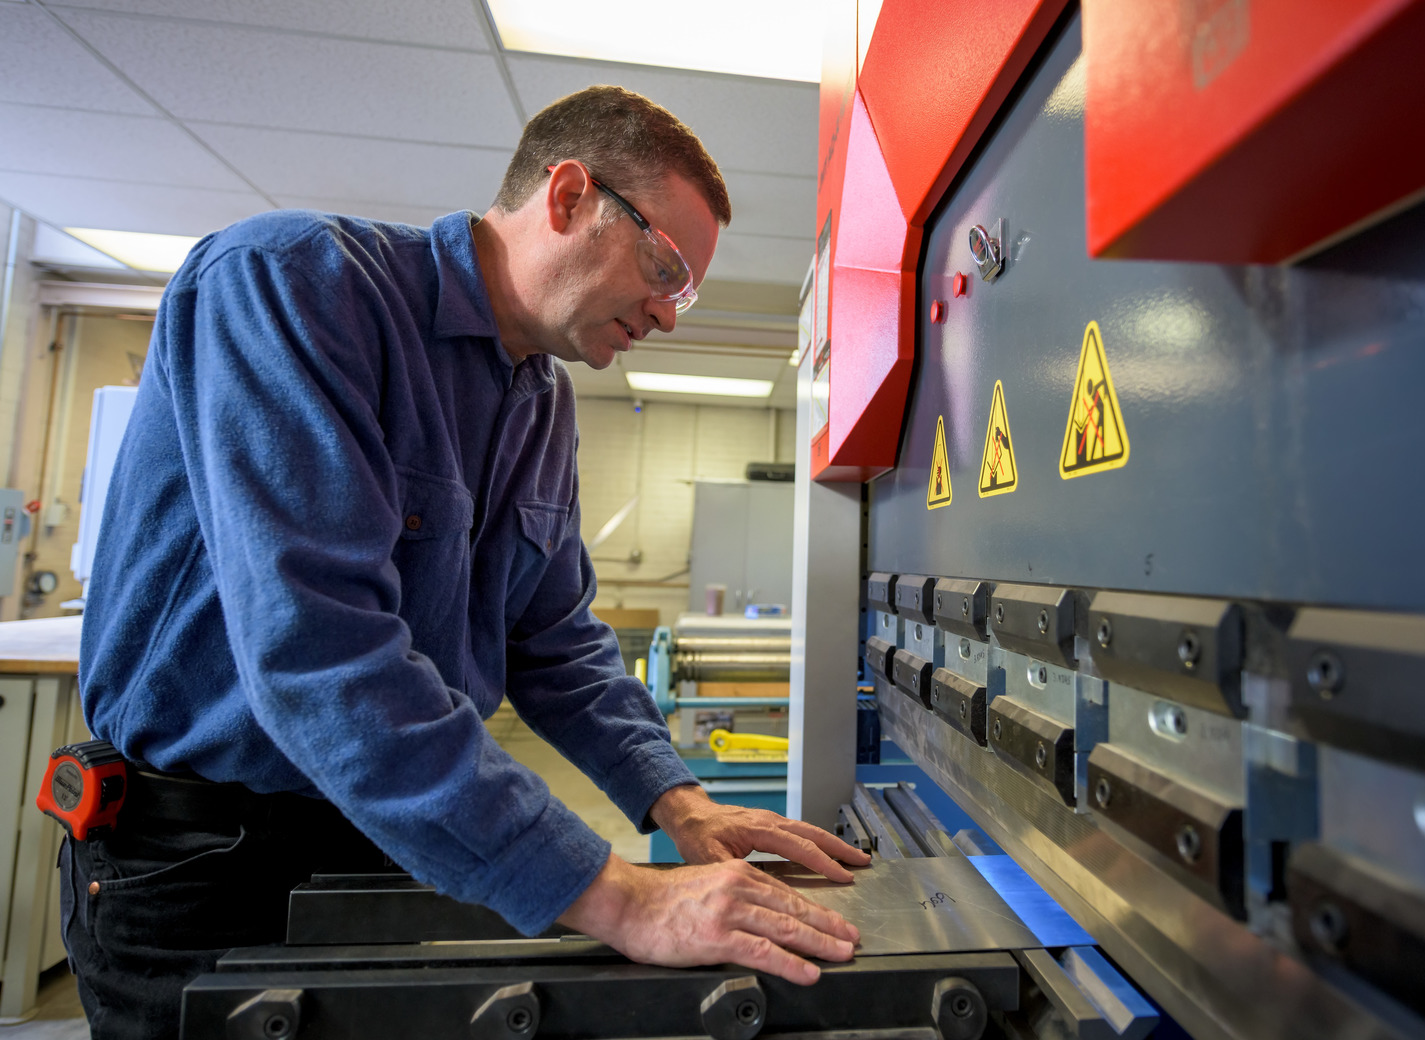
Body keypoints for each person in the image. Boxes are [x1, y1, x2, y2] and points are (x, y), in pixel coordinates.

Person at [62, 84, 870, 1040]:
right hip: (205, 858)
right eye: (666, 265)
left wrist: (680, 801)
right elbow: (320, 655)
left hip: (389, 838)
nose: (668, 311)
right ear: (568, 196)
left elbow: (555, 639)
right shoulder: (292, 284)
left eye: (684, 289)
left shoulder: (540, 402)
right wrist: (618, 898)